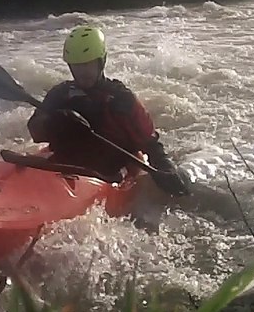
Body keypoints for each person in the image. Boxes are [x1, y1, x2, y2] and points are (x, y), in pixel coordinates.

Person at [26, 25, 189, 196]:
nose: (82, 72)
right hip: (67, 167)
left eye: (87, 64)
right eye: (76, 66)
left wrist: (166, 167)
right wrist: (52, 122)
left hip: (111, 171)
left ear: (101, 62)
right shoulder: (60, 94)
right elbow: (35, 133)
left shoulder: (120, 98)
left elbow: (150, 143)